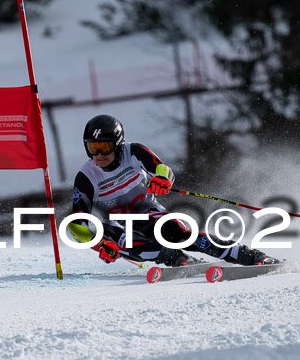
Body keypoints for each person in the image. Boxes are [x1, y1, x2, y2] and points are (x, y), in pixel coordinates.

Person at [68, 114, 278, 267]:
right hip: (115, 223)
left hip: (147, 211)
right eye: (92, 148)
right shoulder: (87, 176)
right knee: (126, 241)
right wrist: (100, 245)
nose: (99, 155)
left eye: (104, 147)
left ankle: (248, 255)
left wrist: (162, 180)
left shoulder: (134, 152)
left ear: (118, 144)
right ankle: (176, 259)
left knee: (181, 235)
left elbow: (162, 169)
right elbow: (76, 225)